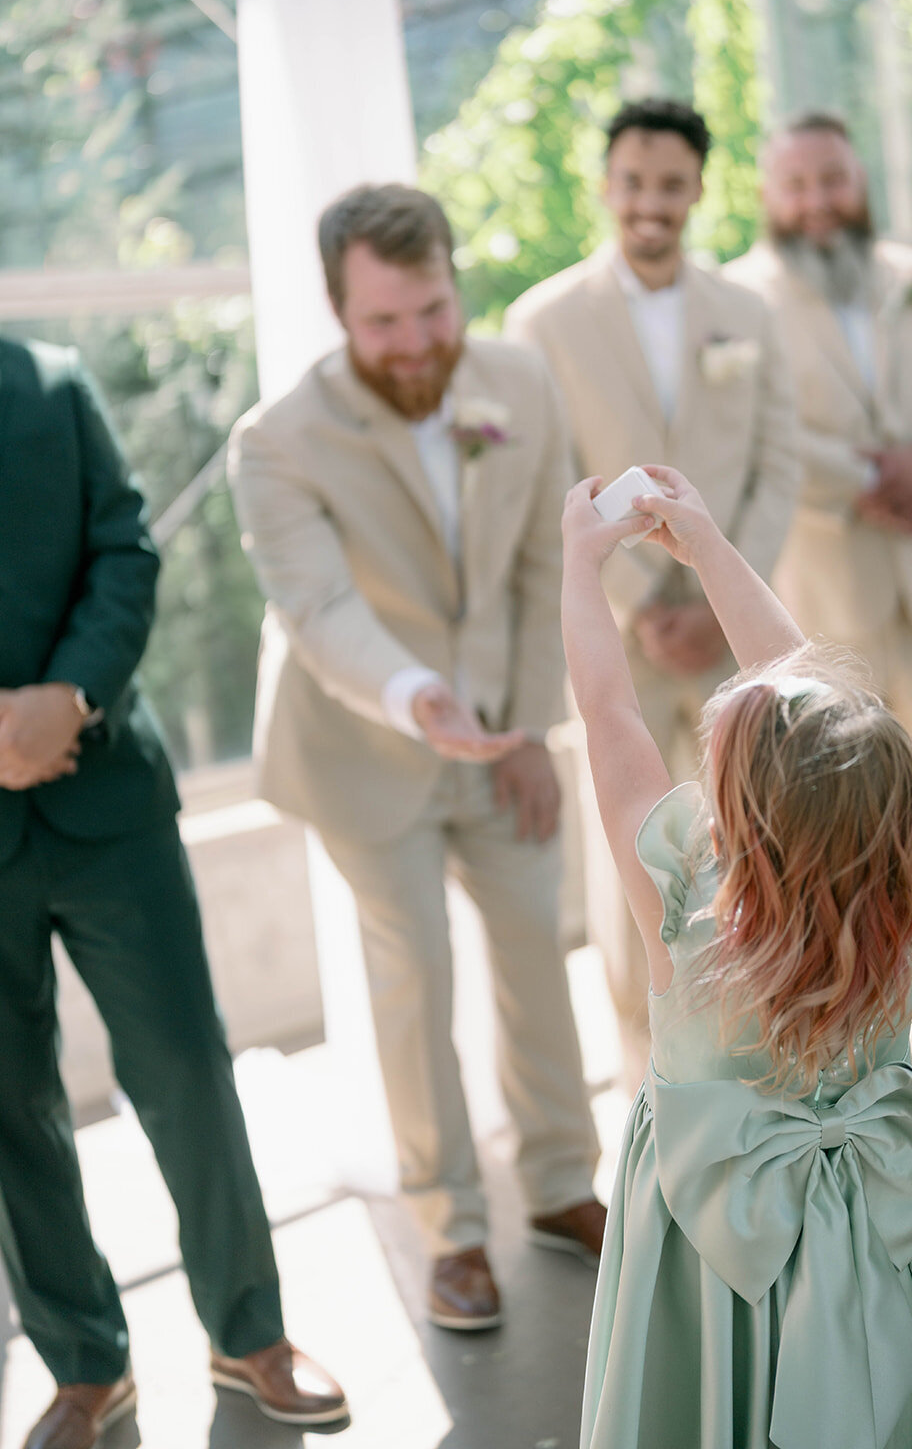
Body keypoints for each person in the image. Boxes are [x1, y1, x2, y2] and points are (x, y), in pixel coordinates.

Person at [560, 463, 912, 1449]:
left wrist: (580, 564)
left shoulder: (685, 912)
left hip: (711, 1234)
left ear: (736, 815)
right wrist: (711, 545)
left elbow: (607, 714)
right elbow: (816, 692)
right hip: (888, 1225)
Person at [229, 183, 604, 1334]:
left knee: (538, 949)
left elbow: (555, 566)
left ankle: (558, 1186)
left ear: (455, 283)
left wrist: (534, 728)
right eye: (383, 322)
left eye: (431, 311)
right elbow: (318, 605)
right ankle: (449, 1226)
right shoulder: (277, 441)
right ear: (339, 310)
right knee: (411, 981)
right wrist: (411, 694)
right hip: (362, 740)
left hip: (501, 729)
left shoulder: (523, 383)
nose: (414, 344)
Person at [0, 337, 347, 1449]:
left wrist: (74, 694)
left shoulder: (55, 381)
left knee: (187, 1067)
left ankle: (250, 1330)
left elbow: (125, 551)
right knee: (10, 1110)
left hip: (109, 804)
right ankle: (84, 1362)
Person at [724, 110, 912, 1072]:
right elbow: (753, 428)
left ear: (858, 181)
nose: (817, 202)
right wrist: (867, 476)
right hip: (827, 600)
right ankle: (857, 1020)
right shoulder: (737, 300)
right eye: (796, 185)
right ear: (769, 196)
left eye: (832, 180)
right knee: (840, 821)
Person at [506, 99, 798, 1088]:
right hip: (619, 642)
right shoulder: (540, 320)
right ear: (605, 184)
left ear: (696, 190)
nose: (648, 202)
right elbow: (544, 476)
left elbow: (776, 463)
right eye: (631, 181)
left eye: (669, 184)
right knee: (630, 874)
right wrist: (638, 600)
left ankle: (754, 1071)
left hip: (729, 641)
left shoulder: (748, 314)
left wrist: (715, 583)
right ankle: (648, 1092)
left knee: (757, 858)